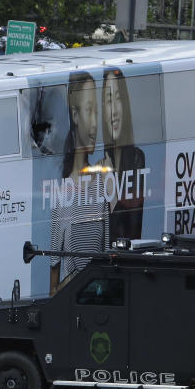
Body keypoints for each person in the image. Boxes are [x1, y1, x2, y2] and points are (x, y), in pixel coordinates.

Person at [50, 71, 110, 294]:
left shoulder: (102, 184)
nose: (95, 124)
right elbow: (53, 280)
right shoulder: (61, 193)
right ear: (75, 115)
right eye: (88, 111)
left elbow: (107, 254)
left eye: (97, 112)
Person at [101, 68, 146, 240]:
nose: (113, 112)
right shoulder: (100, 166)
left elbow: (133, 231)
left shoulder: (137, 159)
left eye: (118, 99)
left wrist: (112, 191)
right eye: (108, 101)